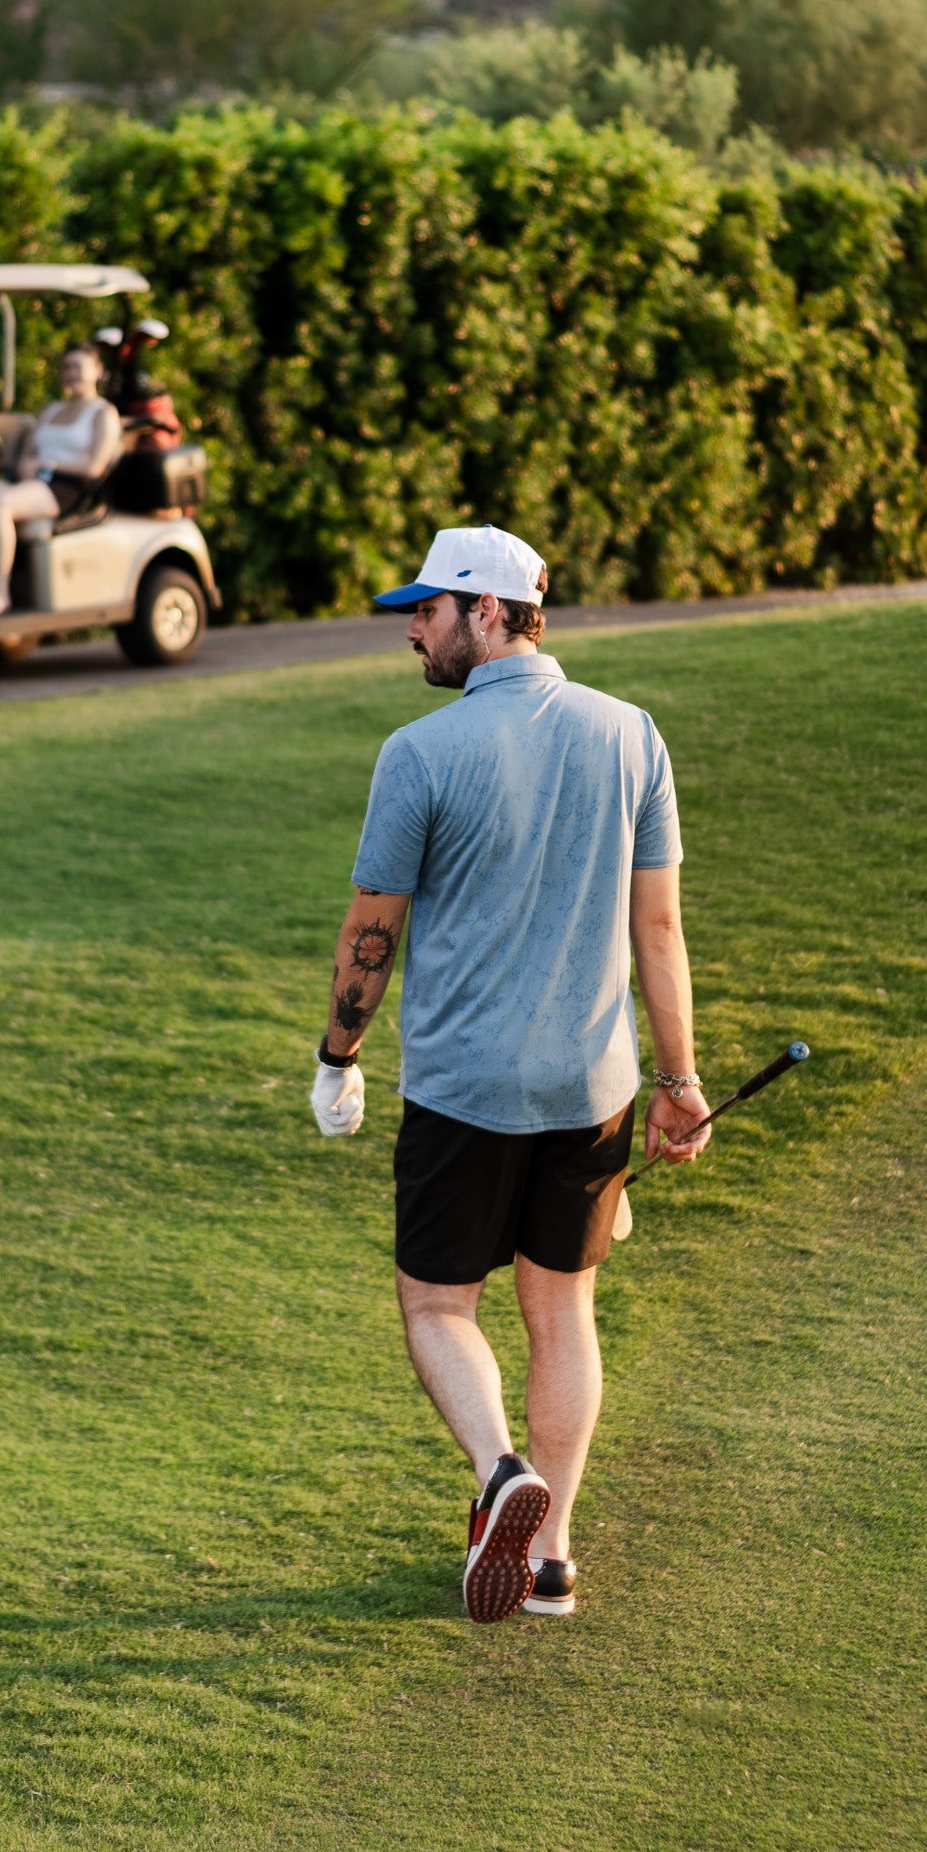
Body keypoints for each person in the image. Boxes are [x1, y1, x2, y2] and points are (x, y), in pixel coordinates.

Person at [310, 522, 709, 1623]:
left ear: (488, 612)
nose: (412, 629)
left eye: (428, 608)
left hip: (460, 1089)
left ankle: (498, 1474)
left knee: (438, 1304)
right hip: (592, 1087)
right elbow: (659, 927)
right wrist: (678, 1082)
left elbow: (369, 931)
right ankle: (550, 1559)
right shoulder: (632, 734)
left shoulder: (420, 752)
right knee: (562, 1308)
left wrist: (335, 1056)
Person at [0, 342, 122, 619]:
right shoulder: (52, 410)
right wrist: (26, 465)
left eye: (78, 368)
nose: (71, 374)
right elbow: (29, 452)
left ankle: (0, 590)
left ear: (97, 371)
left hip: (66, 487)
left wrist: (47, 464)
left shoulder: (102, 413)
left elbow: (94, 466)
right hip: (34, 483)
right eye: (67, 368)